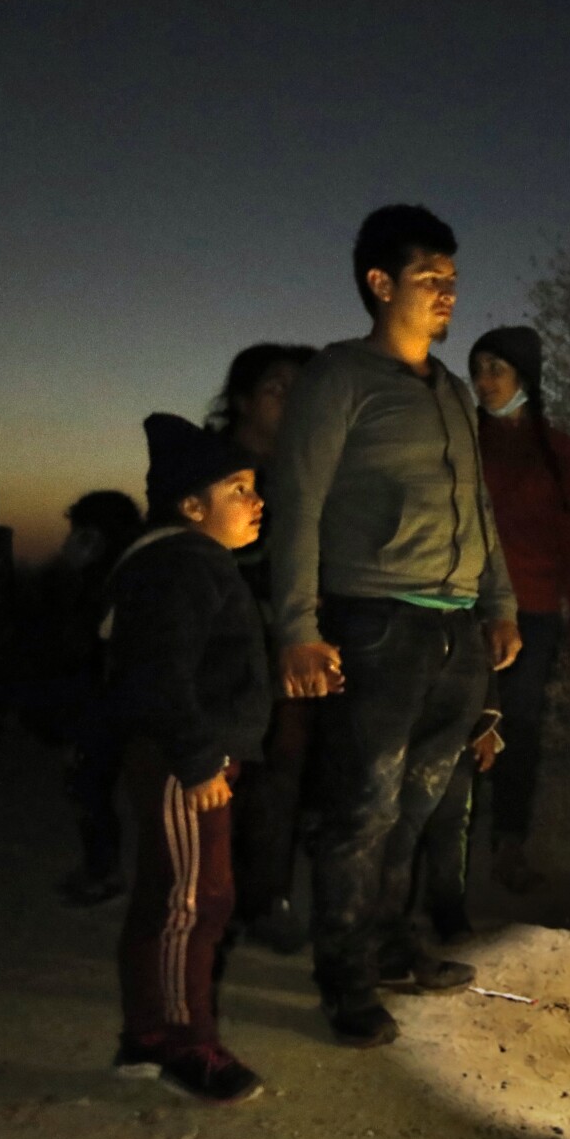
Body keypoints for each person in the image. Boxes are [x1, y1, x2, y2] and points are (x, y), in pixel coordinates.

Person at [270, 204, 521, 1048]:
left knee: (416, 807)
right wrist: (298, 627)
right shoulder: (339, 379)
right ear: (380, 284)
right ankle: (343, 975)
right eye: (429, 278)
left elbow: (477, 502)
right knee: (362, 807)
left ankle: (388, 944)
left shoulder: (450, 391)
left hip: (454, 629)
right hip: (377, 621)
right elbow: (298, 503)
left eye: (452, 278)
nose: (447, 293)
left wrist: (500, 601)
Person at [105, 414, 271, 1104]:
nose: (256, 501)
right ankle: (186, 1043)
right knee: (196, 901)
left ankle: (146, 1032)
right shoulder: (183, 561)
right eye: (238, 488)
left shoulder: (181, 561)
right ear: (191, 504)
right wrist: (202, 759)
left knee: (167, 891)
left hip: (179, 754)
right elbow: (161, 671)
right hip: (185, 762)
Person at [467, 325, 570, 898]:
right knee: (457, 724)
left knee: (520, 728)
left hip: (535, 611)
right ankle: (442, 849)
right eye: (478, 369)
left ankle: (508, 845)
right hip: (464, 605)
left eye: (497, 368)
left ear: (525, 376)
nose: (484, 381)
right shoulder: (463, 439)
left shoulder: (555, 447)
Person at [209, 343, 318, 954]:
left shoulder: (307, 473)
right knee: (225, 773)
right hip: (225, 650)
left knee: (285, 771)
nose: (291, 402)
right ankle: (214, 901)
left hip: (289, 646)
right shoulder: (207, 471)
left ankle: (267, 897)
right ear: (243, 400)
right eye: (278, 389)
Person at [45, 489, 146, 907]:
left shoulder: (119, 574)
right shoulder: (124, 568)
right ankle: (105, 870)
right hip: (112, 698)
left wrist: (67, 573)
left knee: (91, 787)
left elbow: (76, 639)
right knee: (95, 788)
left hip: (107, 701)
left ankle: (105, 874)